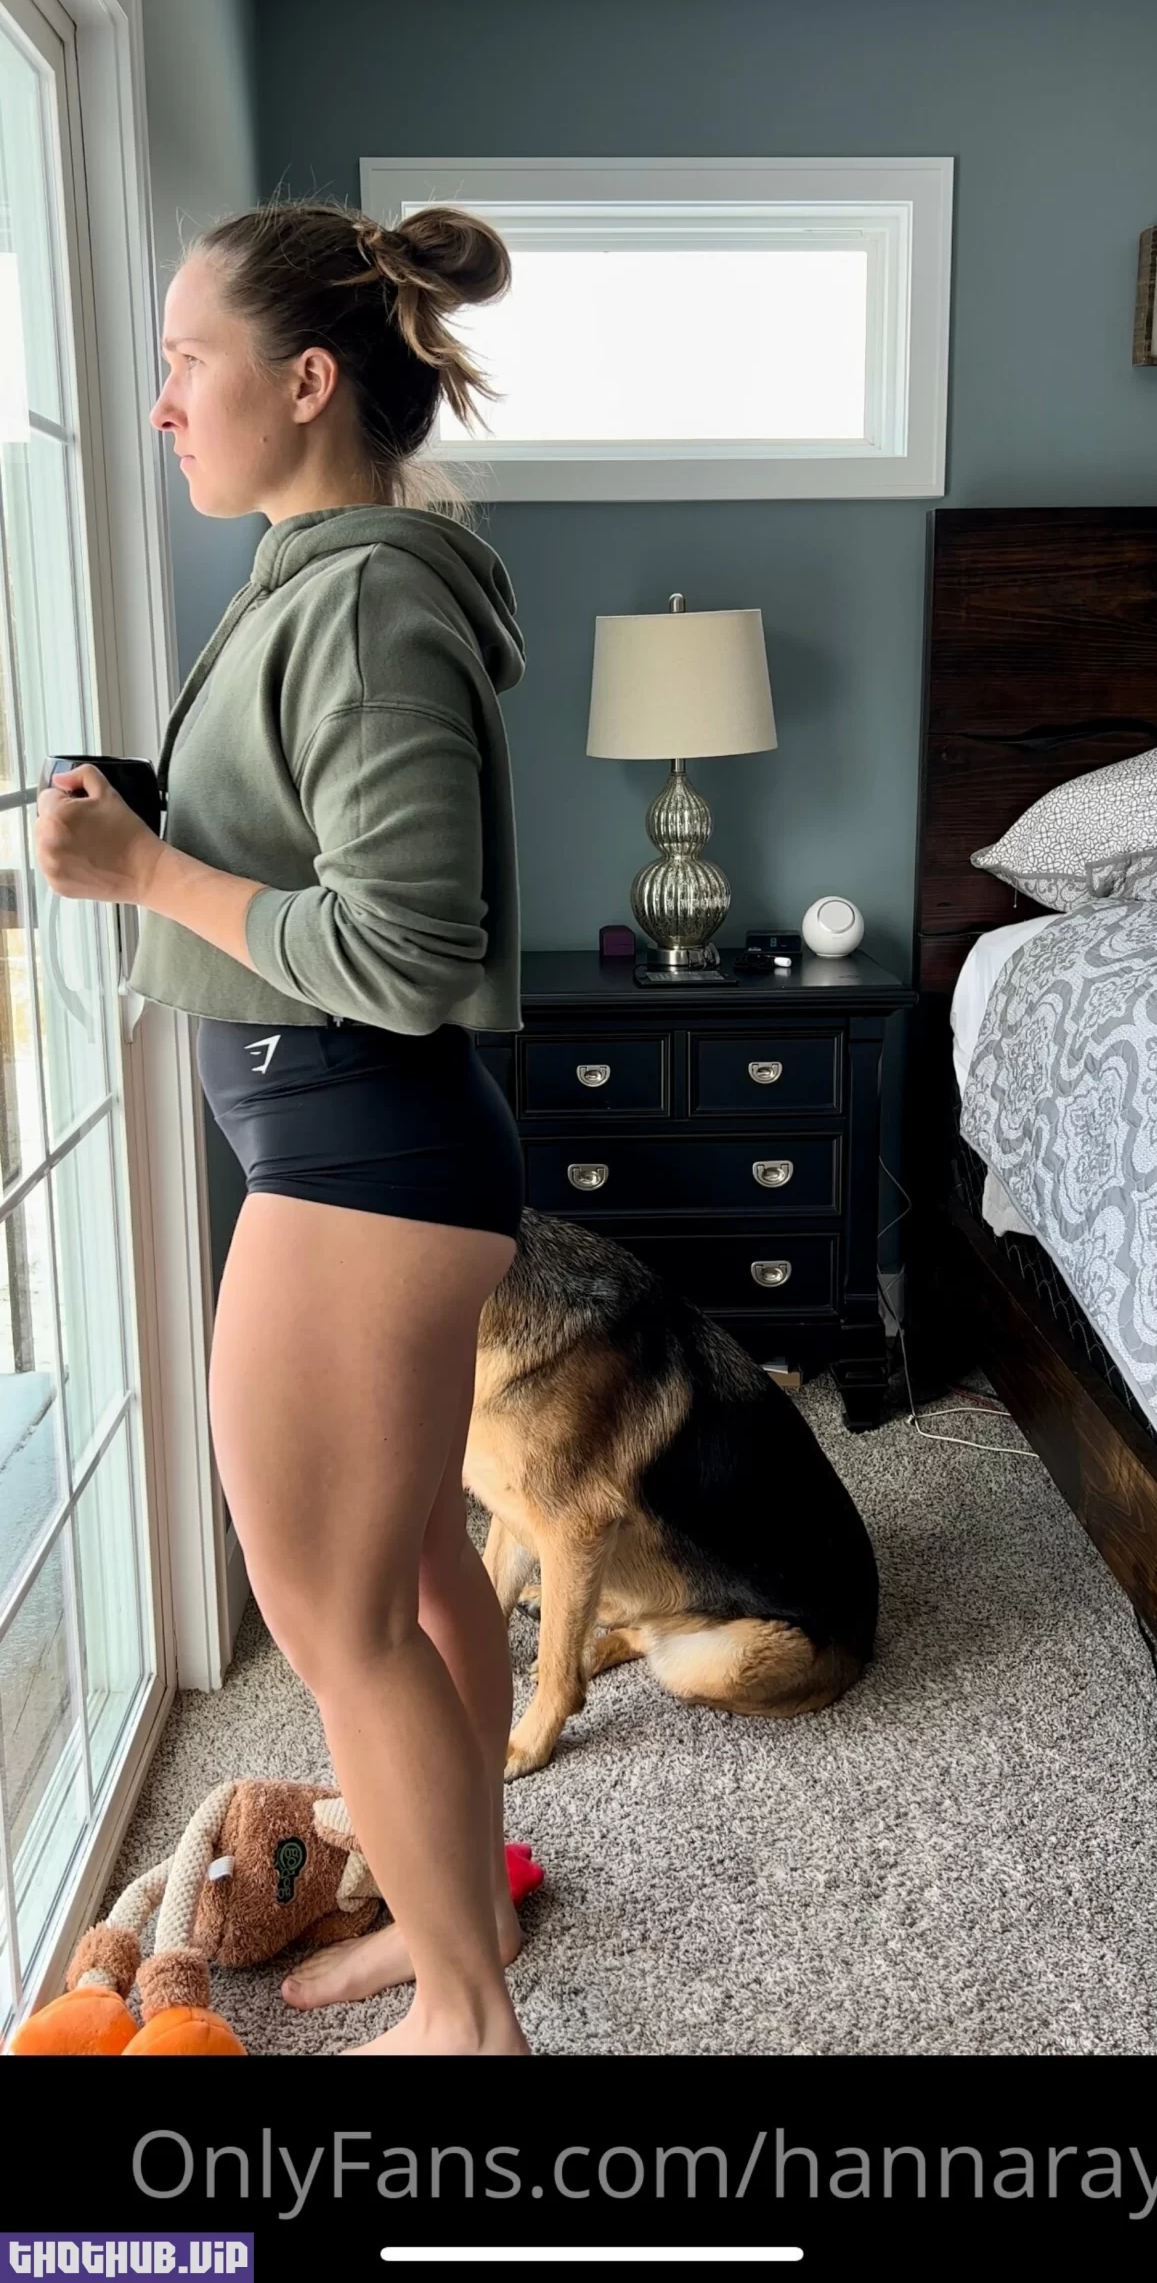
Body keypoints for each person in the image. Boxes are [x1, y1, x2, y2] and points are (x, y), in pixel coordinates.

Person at [35, 199, 531, 2058]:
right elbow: (326, 856)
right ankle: (456, 1919)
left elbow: (404, 951)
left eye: (188, 362)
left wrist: (149, 872)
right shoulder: (317, 573)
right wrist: (169, 827)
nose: (164, 403)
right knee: (412, 1578)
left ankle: (468, 2021)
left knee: (333, 1623)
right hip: (358, 1148)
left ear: (307, 379)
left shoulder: (366, 601)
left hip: (356, 1151)